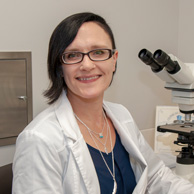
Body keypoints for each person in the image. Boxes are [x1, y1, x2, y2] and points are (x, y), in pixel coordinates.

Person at [12, 12, 194, 194]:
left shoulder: (121, 116)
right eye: (73, 55)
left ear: (114, 60)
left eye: (98, 52)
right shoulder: (39, 140)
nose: (87, 65)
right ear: (59, 66)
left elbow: (157, 177)